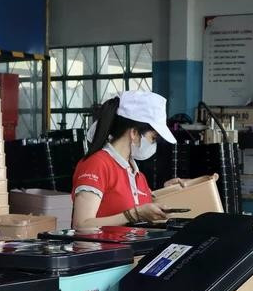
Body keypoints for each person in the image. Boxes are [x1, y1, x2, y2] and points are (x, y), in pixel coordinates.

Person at [72, 90, 180, 229]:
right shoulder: (97, 165)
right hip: (106, 250)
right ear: (134, 133)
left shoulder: (137, 175)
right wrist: (134, 214)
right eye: (153, 138)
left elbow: (137, 207)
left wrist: (170, 191)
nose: (154, 145)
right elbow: (81, 225)